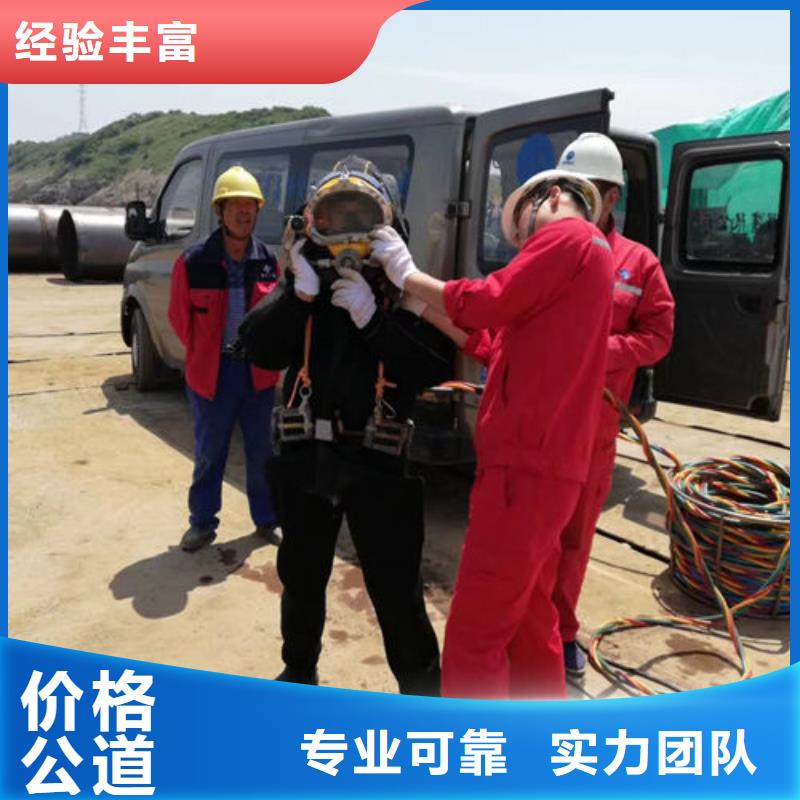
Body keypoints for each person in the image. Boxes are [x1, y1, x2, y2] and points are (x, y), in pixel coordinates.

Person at [370, 166, 615, 699]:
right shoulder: (590, 258)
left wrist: (407, 273)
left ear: (551, 196)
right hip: (549, 472)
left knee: (475, 630)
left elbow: (488, 300)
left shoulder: (568, 238)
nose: (524, 246)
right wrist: (422, 306)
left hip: (523, 471)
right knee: (530, 616)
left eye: (523, 232)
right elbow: (492, 343)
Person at [239, 156, 453, 695]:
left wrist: (376, 321)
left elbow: (432, 365)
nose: (348, 233)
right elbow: (256, 347)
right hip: (306, 457)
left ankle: (422, 690)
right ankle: (298, 669)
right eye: (335, 218)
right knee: (301, 576)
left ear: (388, 226)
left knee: (397, 587)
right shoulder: (305, 287)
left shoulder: (402, 291)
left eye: (362, 218)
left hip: (379, 462)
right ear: (314, 223)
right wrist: (298, 296)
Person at [550, 133, 675, 678]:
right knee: (532, 535)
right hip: (541, 423)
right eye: (566, 188)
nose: (572, 200)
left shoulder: (638, 263)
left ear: (611, 197)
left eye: (586, 190)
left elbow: (658, 336)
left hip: (594, 429)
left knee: (575, 537)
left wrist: (601, 352)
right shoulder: (545, 249)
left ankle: (561, 630)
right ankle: (525, 626)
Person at [168, 165, 283, 552]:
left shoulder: (267, 261)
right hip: (213, 374)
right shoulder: (193, 262)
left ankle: (267, 519)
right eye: (235, 205)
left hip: (257, 373)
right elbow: (179, 318)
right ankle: (202, 523)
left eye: (250, 205)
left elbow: (274, 316)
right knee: (209, 452)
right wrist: (207, 354)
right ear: (220, 210)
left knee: (262, 451)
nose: (243, 212)